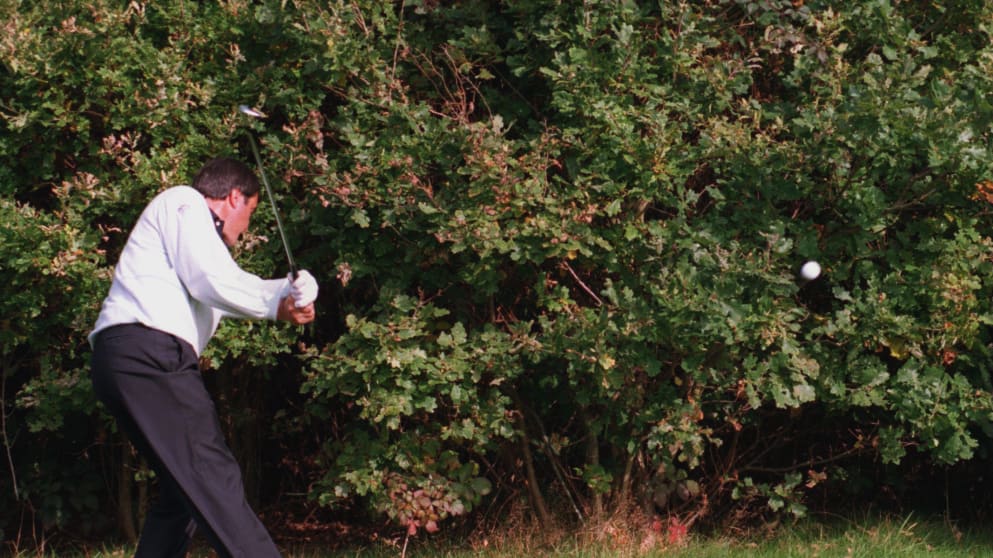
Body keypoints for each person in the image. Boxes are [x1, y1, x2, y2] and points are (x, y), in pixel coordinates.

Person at [89, 157, 318, 557]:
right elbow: (215, 282)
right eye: (250, 212)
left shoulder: (198, 252)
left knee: (183, 495)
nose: (246, 229)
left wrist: (290, 298)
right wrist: (280, 293)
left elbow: (231, 290)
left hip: (128, 360)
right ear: (234, 197)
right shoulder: (183, 202)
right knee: (211, 472)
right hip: (147, 354)